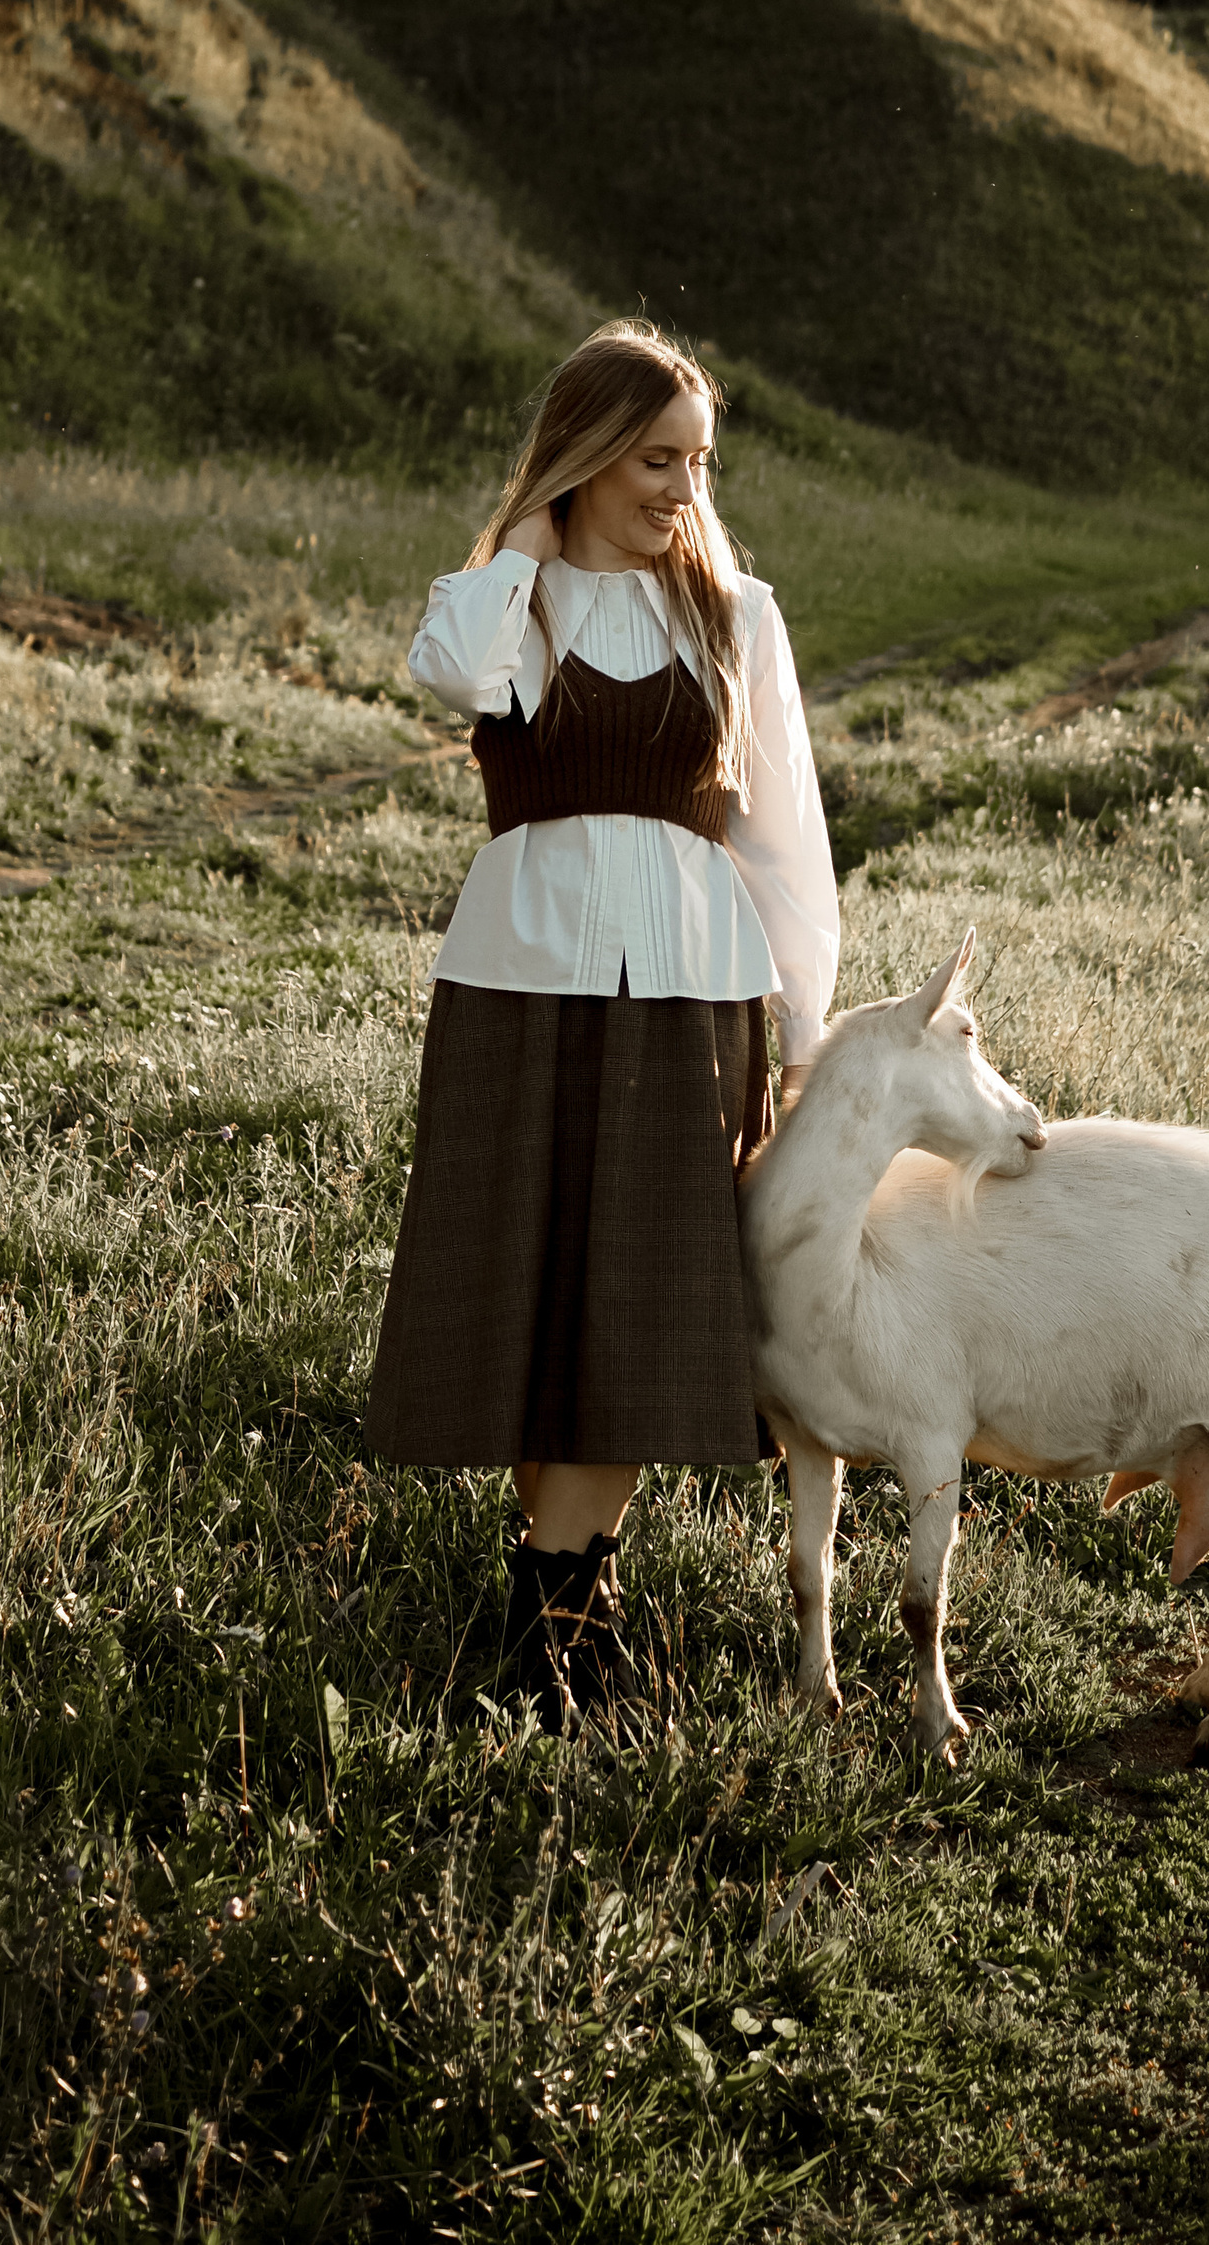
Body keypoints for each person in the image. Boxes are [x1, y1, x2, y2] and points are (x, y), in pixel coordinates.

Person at [364, 320, 840, 1726]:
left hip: (689, 991)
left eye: (699, 459)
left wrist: (800, 1026)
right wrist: (523, 523)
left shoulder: (736, 614)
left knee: (636, 1301)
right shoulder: (518, 608)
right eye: (652, 456)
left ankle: (558, 1607)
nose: (683, 486)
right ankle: (566, 1606)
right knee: (539, 1297)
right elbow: (446, 667)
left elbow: (785, 835)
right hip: (519, 983)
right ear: (581, 453)